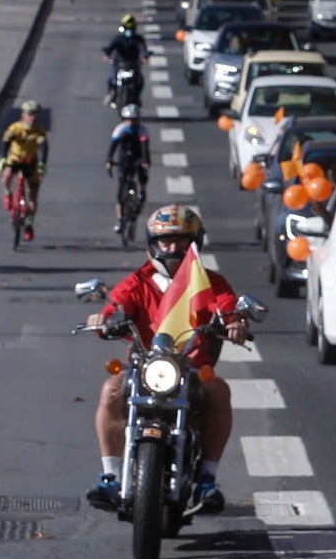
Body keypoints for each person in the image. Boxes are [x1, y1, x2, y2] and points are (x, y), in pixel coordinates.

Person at [83, 205, 246, 513]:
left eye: (182, 241)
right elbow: (113, 309)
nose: (172, 248)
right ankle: (111, 476)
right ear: (152, 244)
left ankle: (207, 479)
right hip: (145, 367)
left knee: (219, 391)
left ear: (195, 242)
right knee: (111, 390)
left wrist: (236, 322)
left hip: (193, 369)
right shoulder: (137, 282)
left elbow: (228, 307)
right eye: (165, 241)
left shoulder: (210, 282)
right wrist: (102, 320)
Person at [0, 100, 49, 241]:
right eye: (30, 114)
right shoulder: (15, 128)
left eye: (35, 115)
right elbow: (6, 141)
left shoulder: (39, 131)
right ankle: (7, 193)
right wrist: (2, 158)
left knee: (33, 195)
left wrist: (42, 164)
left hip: (30, 162)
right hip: (15, 159)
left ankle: (29, 224)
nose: (33, 118)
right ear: (23, 114)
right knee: (7, 174)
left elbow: (43, 147)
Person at [106, 103, 151, 229]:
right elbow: (112, 147)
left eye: (134, 120)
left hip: (138, 158)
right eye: (128, 120)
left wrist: (145, 162)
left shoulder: (143, 130)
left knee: (142, 177)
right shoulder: (120, 129)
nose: (131, 123)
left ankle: (142, 191)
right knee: (121, 191)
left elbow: (145, 148)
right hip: (124, 159)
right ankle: (120, 220)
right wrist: (109, 161)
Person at [102, 12, 149, 107]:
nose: (129, 31)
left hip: (133, 65)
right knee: (110, 79)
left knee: (140, 81)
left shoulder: (138, 39)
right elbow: (110, 47)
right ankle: (111, 94)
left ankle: (136, 97)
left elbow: (143, 49)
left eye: (131, 28)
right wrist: (107, 55)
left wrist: (145, 57)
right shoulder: (118, 38)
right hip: (119, 65)